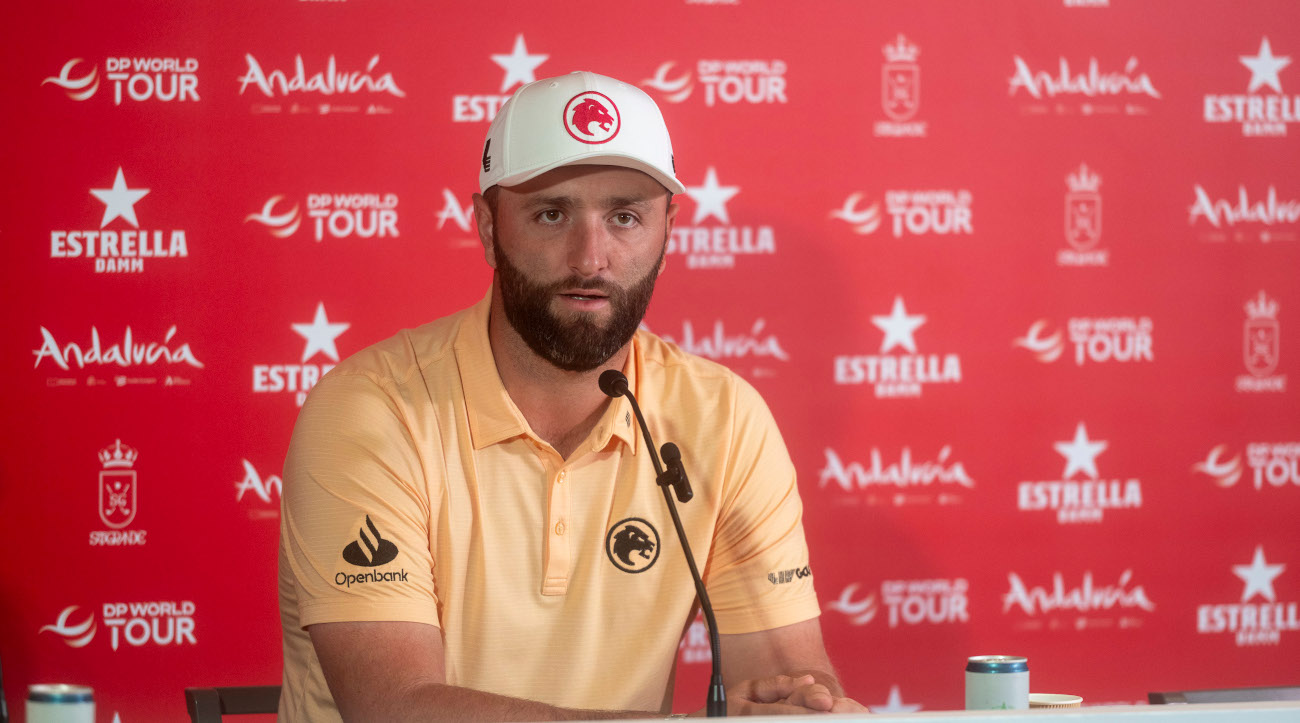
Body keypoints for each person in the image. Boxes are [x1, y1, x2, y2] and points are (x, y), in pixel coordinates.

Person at [277, 70, 866, 721]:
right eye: (551, 213)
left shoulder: (725, 417)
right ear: (487, 226)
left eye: (624, 217)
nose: (591, 257)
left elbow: (782, 673)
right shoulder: (372, 408)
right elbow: (395, 706)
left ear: (668, 232)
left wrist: (807, 707)